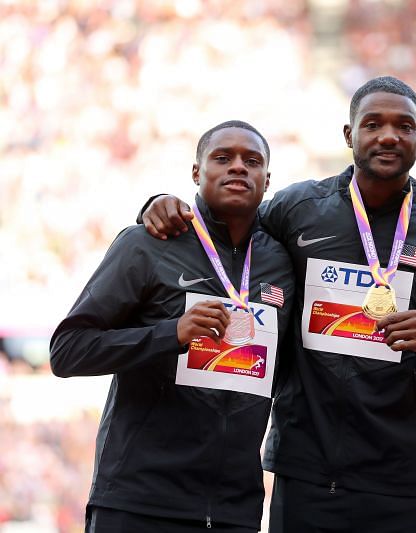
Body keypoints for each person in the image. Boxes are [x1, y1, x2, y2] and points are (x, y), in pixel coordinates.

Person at [139, 76, 416, 532]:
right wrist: (159, 203)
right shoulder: (297, 208)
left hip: (409, 479)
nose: (388, 135)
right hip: (308, 472)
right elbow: (224, 230)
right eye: (372, 124)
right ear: (349, 135)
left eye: (403, 126)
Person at [50, 120, 295, 532]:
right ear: (196, 173)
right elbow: (67, 350)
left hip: (235, 510)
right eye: (223, 158)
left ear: (267, 180)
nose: (238, 167)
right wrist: (172, 334)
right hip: (139, 502)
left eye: (251, 161)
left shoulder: (282, 262)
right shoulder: (147, 242)